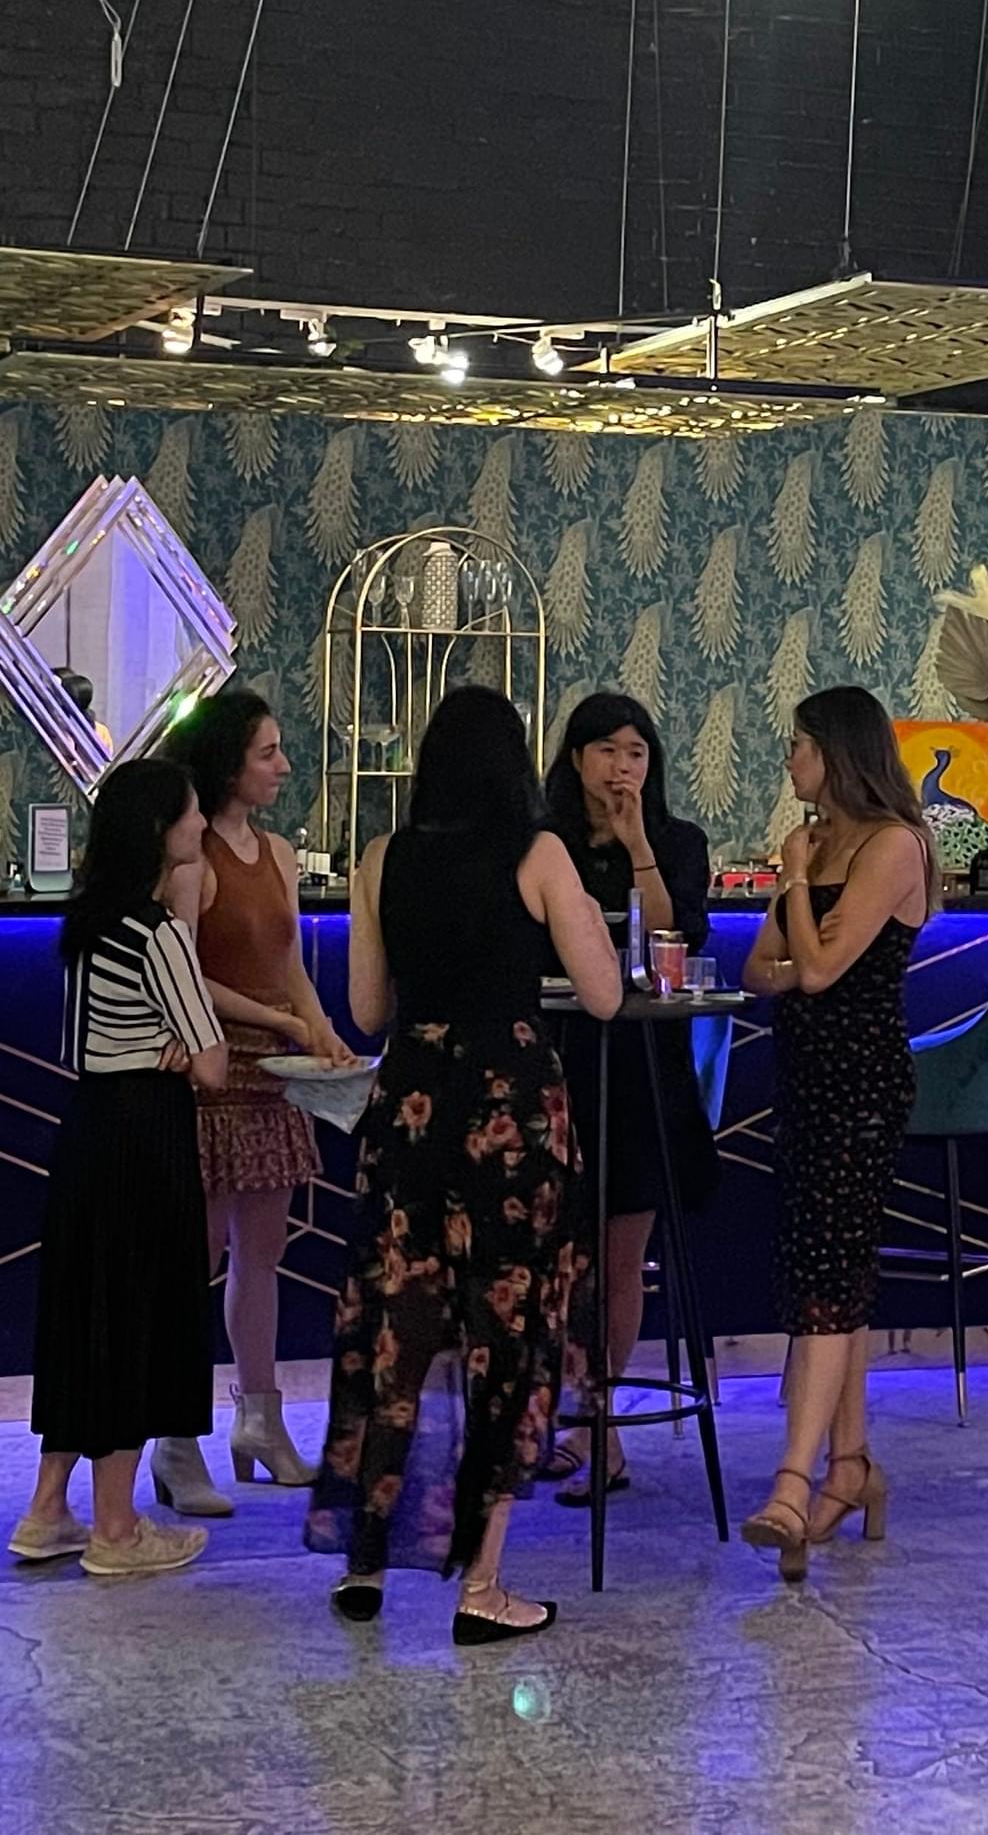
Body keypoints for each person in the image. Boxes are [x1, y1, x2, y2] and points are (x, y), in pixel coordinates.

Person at [305, 686, 623, 1642]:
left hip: (410, 1110)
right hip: (510, 1118)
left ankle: (366, 1559)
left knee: (397, 1329)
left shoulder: (381, 859)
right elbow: (604, 995)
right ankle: (481, 1585)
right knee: (509, 1336)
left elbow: (367, 1009)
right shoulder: (540, 854)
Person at [10, 757, 226, 1579]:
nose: (201, 824)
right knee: (140, 1315)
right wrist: (179, 1047)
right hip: (147, 1135)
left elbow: (81, 1044)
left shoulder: (87, 924)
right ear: (159, 830)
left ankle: (47, 1510)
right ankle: (116, 1527)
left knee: (85, 1312)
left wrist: (170, 1043)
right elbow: (211, 1064)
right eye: (191, 812)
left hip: (89, 1128)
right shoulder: (158, 933)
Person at [738, 685, 931, 1582]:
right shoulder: (817, 845)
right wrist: (798, 932)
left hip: (861, 1081)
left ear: (839, 753)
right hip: (805, 1076)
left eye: (800, 745)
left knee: (827, 1272)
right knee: (827, 1273)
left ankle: (791, 1482)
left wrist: (790, 888)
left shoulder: (893, 845)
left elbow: (814, 971)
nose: (789, 760)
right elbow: (760, 967)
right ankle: (851, 1467)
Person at [145, 688, 348, 1517]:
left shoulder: (279, 854)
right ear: (230, 764)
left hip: (277, 1074)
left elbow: (291, 963)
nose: (283, 766)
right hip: (212, 1070)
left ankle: (259, 1418)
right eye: (268, 752)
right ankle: (174, 1434)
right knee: (193, 1259)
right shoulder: (191, 858)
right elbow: (184, 973)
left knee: (262, 1252)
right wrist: (282, 1022)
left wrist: (322, 1032)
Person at [541, 691, 723, 1504]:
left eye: (637, 752)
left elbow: (674, 939)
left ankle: (598, 1427)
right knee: (558, 1260)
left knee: (619, 1260)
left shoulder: (677, 842)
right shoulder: (544, 845)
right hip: (562, 1060)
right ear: (576, 759)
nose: (623, 766)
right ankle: (563, 1415)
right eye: (608, 750)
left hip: (644, 1066)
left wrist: (638, 844)